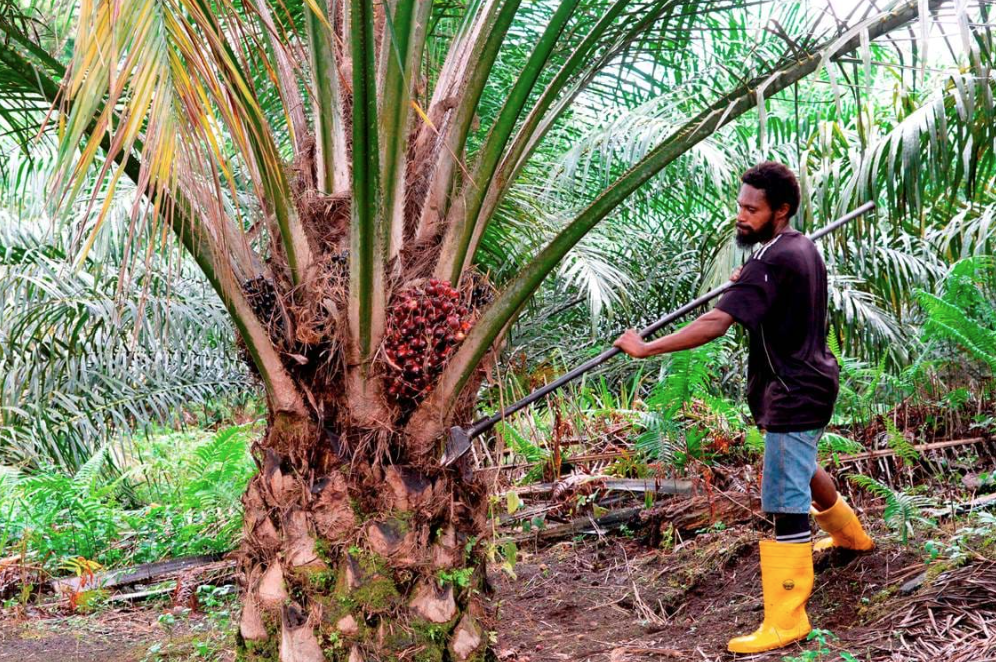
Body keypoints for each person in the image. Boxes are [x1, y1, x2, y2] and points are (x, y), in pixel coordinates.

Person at [613, 161, 874, 654]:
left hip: (794, 391)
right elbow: (774, 294)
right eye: (740, 206)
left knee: (783, 500)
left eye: (752, 210)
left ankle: (787, 618)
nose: (742, 216)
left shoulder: (771, 262)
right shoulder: (797, 249)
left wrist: (647, 348)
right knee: (802, 467)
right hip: (814, 381)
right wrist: (750, 281)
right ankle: (851, 538)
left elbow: (714, 323)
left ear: (782, 210)